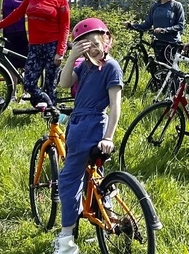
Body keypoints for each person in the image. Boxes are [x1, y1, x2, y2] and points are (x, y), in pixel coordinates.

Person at [54, 18, 122, 254]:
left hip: (90, 125)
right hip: (80, 123)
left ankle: (66, 239)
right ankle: (107, 217)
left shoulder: (111, 67)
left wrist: (109, 136)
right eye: (84, 44)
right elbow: (63, 84)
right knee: (95, 177)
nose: (91, 48)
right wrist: (72, 58)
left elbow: (115, 106)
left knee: (69, 180)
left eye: (95, 43)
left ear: (106, 41)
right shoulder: (85, 67)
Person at [0, 0, 69, 108]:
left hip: (52, 45)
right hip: (34, 45)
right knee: (29, 83)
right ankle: (48, 104)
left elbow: (65, 27)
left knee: (50, 84)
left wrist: (60, 52)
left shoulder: (61, 0)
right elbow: (17, 13)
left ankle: (51, 117)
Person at [126, 0, 185, 66]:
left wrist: (164, 30)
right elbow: (147, 24)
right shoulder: (155, 6)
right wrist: (131, 25)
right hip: (158, 43)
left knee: (171, 73)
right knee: (159, 71)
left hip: (172, 44)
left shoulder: (176, 6)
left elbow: (180, 26)